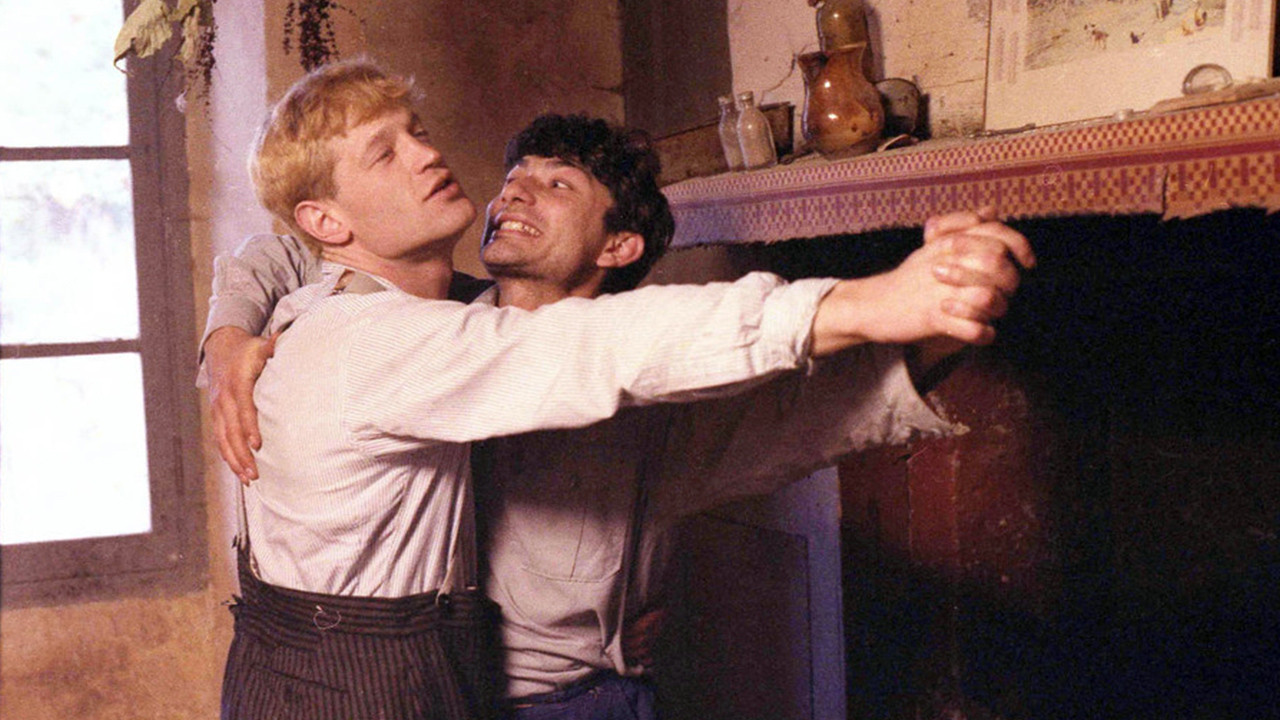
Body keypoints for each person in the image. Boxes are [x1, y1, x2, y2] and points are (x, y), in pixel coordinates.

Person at [206, 59, 1033, 720]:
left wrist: (942, 313)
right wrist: (227, 336)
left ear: (618, 246)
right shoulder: (428, 332)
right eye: (515, 175)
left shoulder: (632, 403)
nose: (513, 190)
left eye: (558, 185)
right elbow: (282, 252)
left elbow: (792, 418)